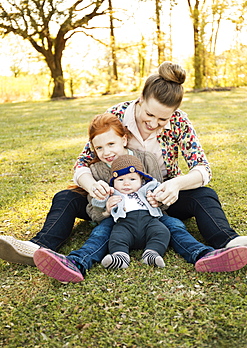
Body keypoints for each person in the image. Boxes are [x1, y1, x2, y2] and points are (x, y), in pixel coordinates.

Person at [1, 61, 247, 271]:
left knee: (205, 195)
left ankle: (229, 243)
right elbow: (82, 163)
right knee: (65, 197)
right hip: (112, 198)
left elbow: (203, 168)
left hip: (161, 198)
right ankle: (38, 247)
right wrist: (93, 185)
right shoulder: (115, 116)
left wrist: (175, 184)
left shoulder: (180, 123)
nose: (153, 123)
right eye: (149, 115)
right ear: (140, 99)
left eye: (163, 119)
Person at [31, 114, 247, 283]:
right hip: (117, 221)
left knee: (175, 227)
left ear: (124, 139)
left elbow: (157, 187)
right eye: (99, 148)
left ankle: (204, 256)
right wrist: (105, 209)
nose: (106, 152)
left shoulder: (145, 159)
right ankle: (75, 264)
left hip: (152, 217)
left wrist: (159, 199)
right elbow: (93, 210)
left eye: (111, 144)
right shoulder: (96, 171)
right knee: (100, 235)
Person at [93, 155, 170, 269]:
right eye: (120, 179)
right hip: (125, 224)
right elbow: (97, 202)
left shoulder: (147, 188)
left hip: (149, 222)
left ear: (141, 180)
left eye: (132, 179)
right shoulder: (113, 192)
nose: (126, 183)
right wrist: (105, 200)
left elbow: (160, 189)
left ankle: (152, 253)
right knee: (116, 237)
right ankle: (120, 256)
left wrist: (156, 196)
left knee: (162, 232)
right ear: (113, 182)